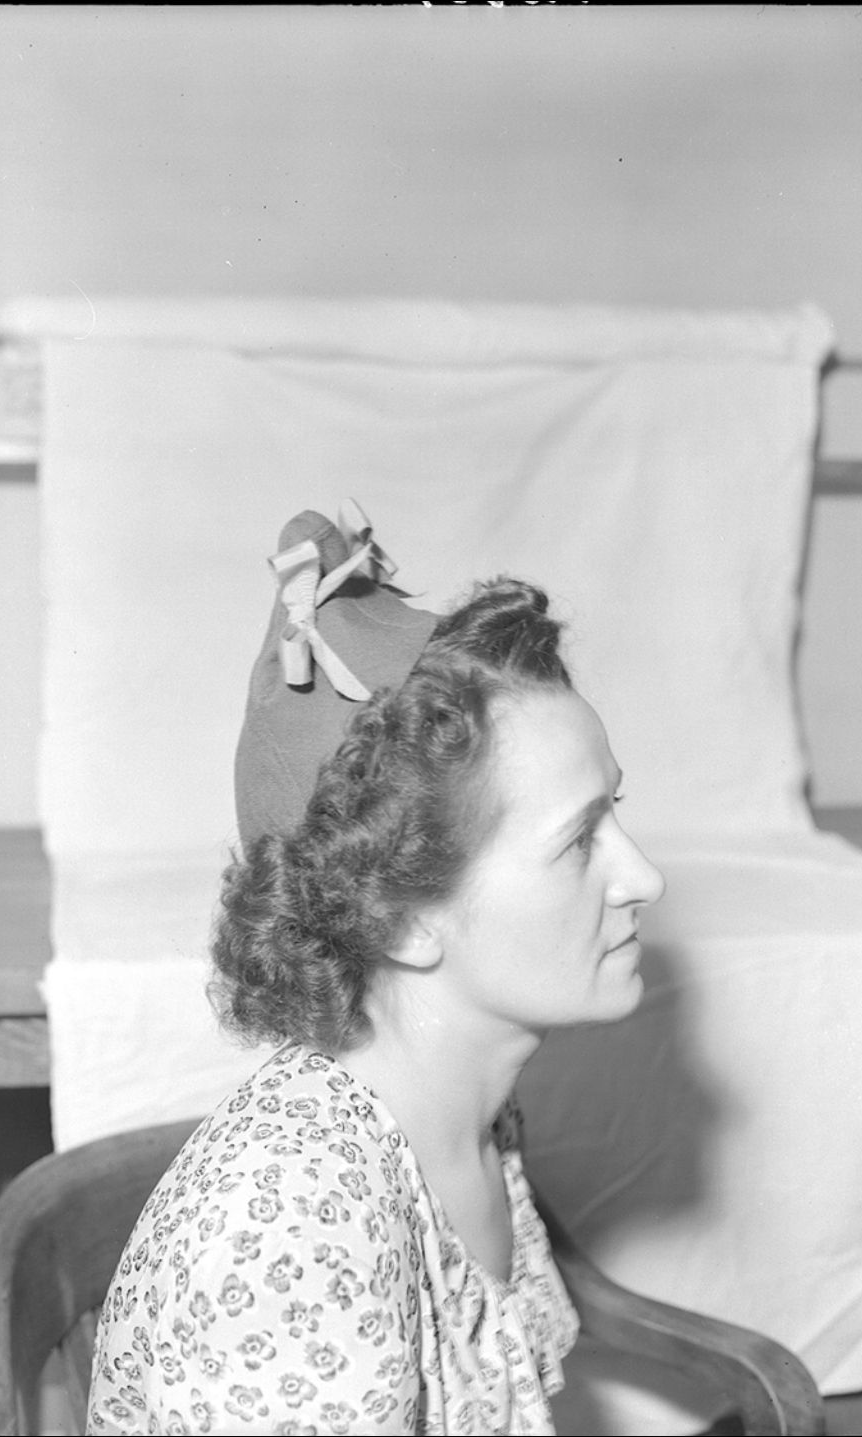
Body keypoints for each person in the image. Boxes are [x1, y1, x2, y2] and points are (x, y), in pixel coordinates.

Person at [86, 507, 664, 1436]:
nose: (644, 877)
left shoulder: (468, 1110)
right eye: (579, 840)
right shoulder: (287, 1240)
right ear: (402, 917)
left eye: (616, 814)